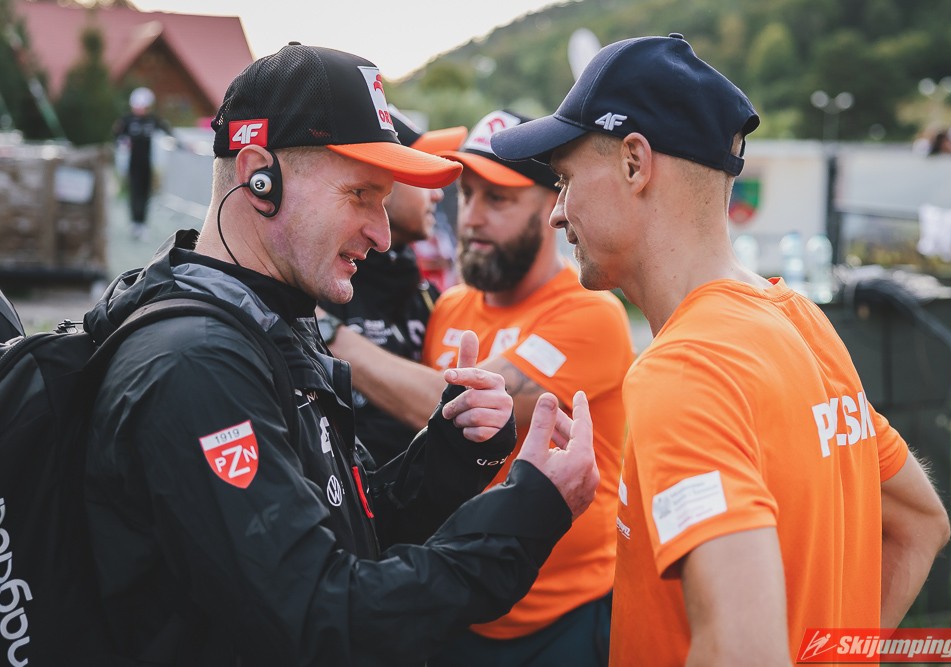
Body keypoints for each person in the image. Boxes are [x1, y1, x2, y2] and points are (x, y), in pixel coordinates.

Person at [83, 43, 599, 666]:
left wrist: (452, 450)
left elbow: (350, 521)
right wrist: (530, 511)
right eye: (360, 194)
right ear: (259, 177)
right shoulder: (195, 364)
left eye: (384, 201)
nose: (382, 234)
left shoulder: (266, 320)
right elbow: (323, 619)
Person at [491, 34, 951, 666]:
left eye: (566, 180)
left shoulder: (684, 370)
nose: (557, 214)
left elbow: (744, 649)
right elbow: (920, 523)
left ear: (634, 163)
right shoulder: (801, 321)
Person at [328, 109, 634, 666]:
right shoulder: (449, 307)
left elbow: (458, 410)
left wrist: (326, 334)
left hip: (560, 619)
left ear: (552, 204)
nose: (471, 218)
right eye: (466, 196)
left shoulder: (591, 315)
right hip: (457, 605)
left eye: (498, 200)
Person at [315, 106, 467, 466]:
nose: (437, 193)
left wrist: (327, 331)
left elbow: (451, 410)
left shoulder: (424, 294)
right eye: (420, 169)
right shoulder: (319, 282)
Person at [112, 86, 173, 240]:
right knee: (134, 193)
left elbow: (169, 132)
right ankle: (134, 222)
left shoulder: (152, 120)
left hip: (147, 163)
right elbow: (116, 137)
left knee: (145, 194)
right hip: (132, 164)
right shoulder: (126, 120)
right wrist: (123, 145)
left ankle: (143, 223)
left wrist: (184, 145)